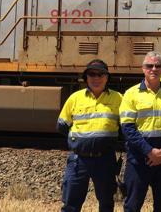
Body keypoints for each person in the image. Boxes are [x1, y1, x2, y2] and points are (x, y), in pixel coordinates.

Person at [119, 51, 161, 212]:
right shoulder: (131, 94)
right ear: (143, 68)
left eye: (158, 66)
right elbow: (127, 128)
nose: (153, 69)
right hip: (139, 158)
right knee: (132, 205)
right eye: (149, 66)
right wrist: (149, 151)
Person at [57, 59, 122, 212]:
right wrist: (80, 142)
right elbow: (62, 125)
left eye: (101, 74)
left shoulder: (119, 98)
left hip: (105, 159)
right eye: (92, 74)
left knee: (106, 203)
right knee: (70, 205)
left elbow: (126, 127)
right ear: (86, 78)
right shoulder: (75, 98)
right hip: (78, 160)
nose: (96, 78)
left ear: (107, 78)